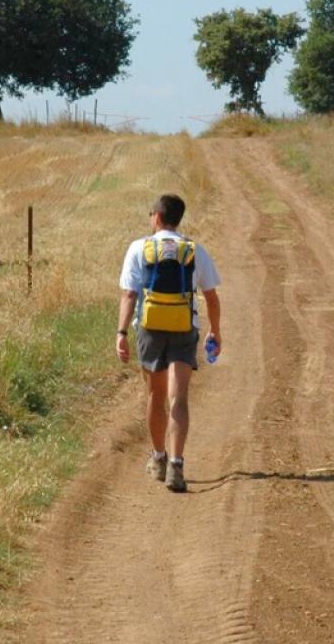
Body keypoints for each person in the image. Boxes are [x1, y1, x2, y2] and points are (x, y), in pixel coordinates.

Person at [116, 193, 221, 493]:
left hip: (149, 328)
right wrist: (215, 331)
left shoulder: (139, 248)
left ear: (157, 217)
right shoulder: (194, 250)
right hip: (184, 327)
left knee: (155, 395)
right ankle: (176, 465)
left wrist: (121, 332)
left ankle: (158, 458)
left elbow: (129, 295)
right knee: (180, 398)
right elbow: (211, 296)